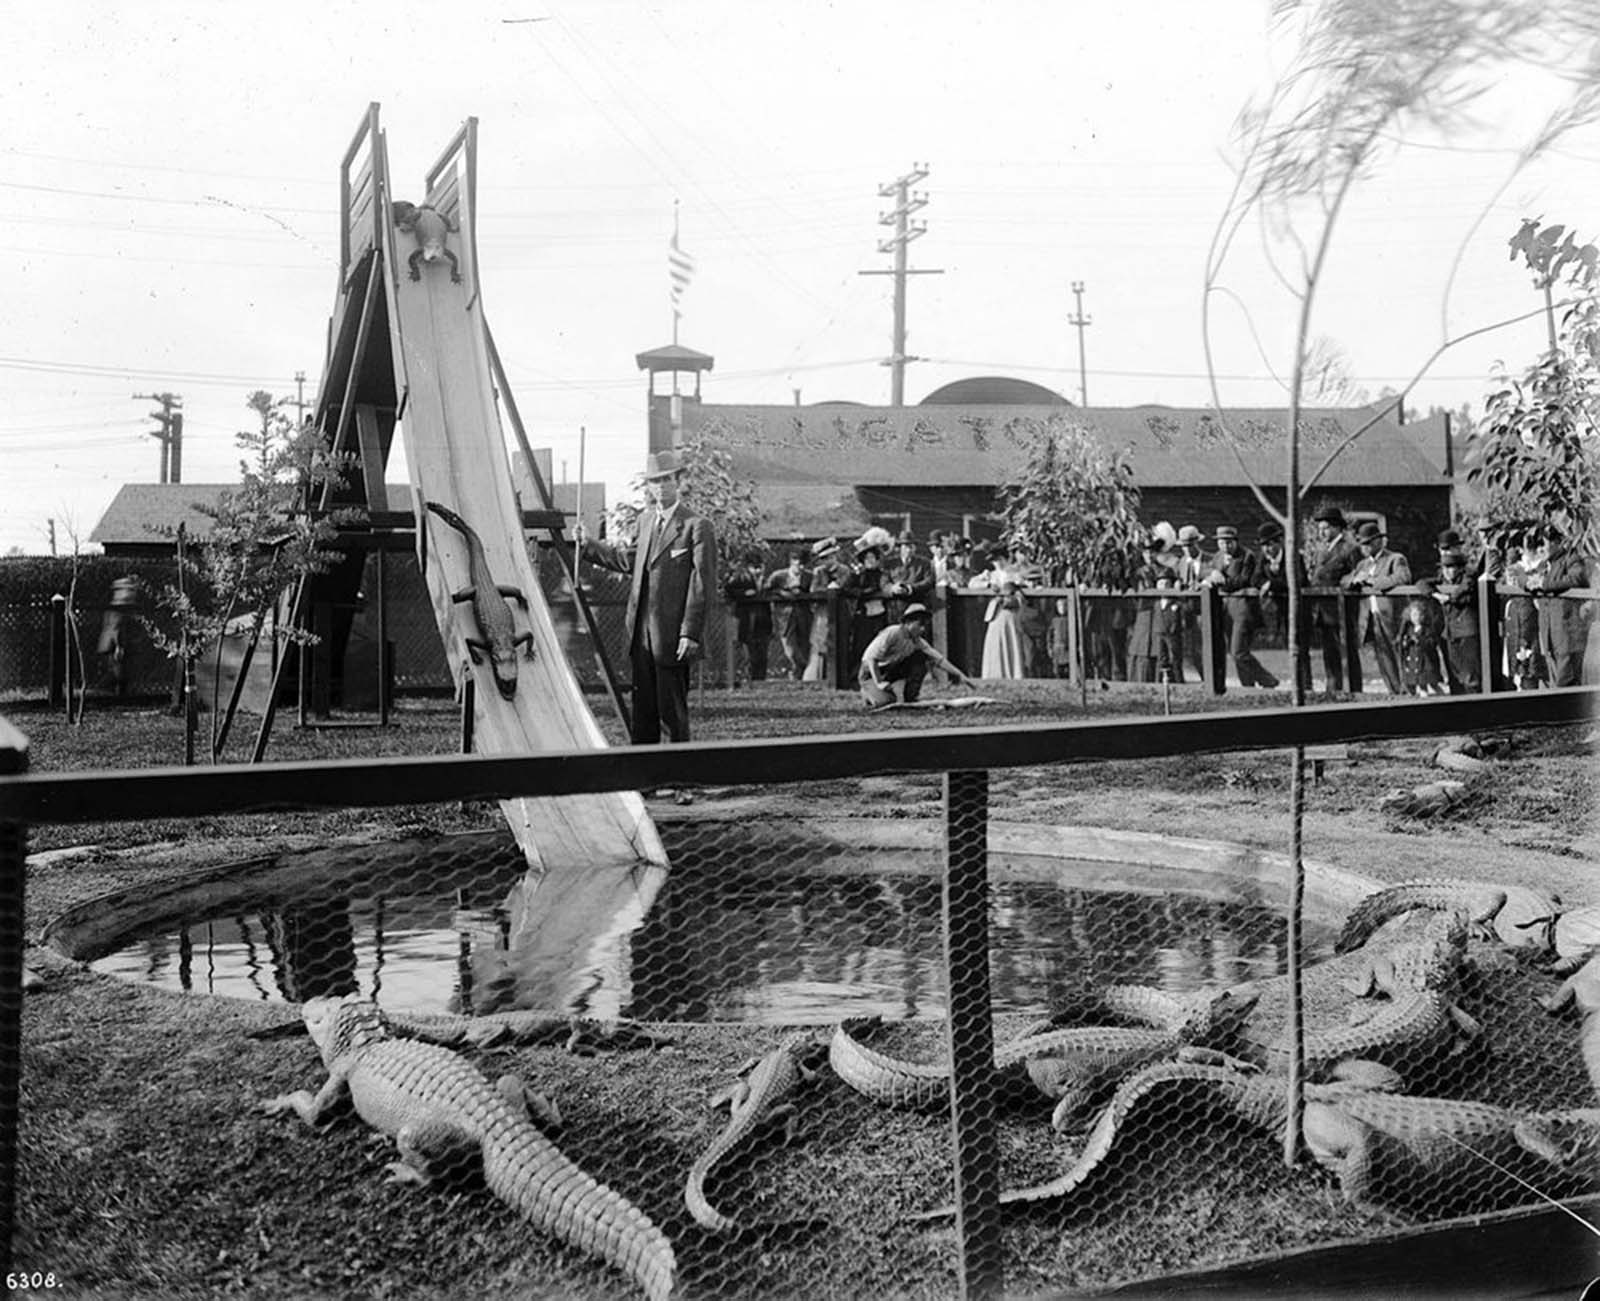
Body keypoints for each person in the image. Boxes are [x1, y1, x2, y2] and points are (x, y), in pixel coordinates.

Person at [580, 447, 716, 743]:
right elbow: (629, 561)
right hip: (641, 636)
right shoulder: (644, 522)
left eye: (667, 479)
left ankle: (676, 780)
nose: (661, 486)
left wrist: (689, 634)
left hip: (672, 637)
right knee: (643, 713)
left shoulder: (697, 526)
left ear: (678, 481)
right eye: (655, 481)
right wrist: (588, 544)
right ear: (649, 486)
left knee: (672, 714)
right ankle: (646, 780)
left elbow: (702, 584)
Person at [1340, 520, 1411, 695]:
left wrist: (1372, 581)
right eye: (1362, 544)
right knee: (1382, 656)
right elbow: (1343, 581)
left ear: (1379, 541)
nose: (1365, 547)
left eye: (1369, 543)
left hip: (1393, 615)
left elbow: (1403, 578)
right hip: (1371, 616)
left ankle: (1407, 691)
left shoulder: (1395, 559)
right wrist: (1355, 580)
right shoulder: (1362, 565)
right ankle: (1393, 691)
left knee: (1399, 653)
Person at [1204, 525, 1277, 689]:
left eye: (1229, 542)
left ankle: (1268, 680)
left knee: (1238, 651)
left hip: (1244, 609)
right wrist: (1210, 576)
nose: (1225, 546)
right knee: (1234, 652)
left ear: (1236, 542)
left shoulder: (1247, 556)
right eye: (1222, 543)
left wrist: (1221, 582)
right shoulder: (1217, 557)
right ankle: (1248, 687)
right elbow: (1207, 571)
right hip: (1226, 610)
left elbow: (1244, 581)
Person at [859, 603, 972, 707]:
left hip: (889, 671)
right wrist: (878, 682)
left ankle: (911, 697)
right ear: (908, 622)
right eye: (920, 624)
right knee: (886, 702)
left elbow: (939, 660)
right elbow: (871, 658)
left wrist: (960, 675)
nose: (922, 629)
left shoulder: (917, 641)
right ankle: (868, 692)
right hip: (870, 672)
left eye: (925, 625)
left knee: (920, 658)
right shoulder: (892, 632)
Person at [1254, 521, 1312, 693]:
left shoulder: (1294, 557)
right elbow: (1255, 578)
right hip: (1281, 610)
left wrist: (1271, 585)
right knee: (1289, 646)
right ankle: (1296, 683)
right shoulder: (1263, 559)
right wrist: (1264, 583)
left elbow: (1297, 580)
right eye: (1264, 545)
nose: (1267, 549)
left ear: (1279, 542)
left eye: (1270, 544)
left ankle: (1305, 686)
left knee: (1300, 648)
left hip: (1298, 609)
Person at [1308, 506, 1361, 692]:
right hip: (1323, 611)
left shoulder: (1349, 549)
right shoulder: (1320, 551)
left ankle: (1352, 690)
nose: (1322, 532)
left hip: (1342, 611)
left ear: (1338, 528)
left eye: (1326, 528)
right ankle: (1333, 689)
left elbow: (1357, 575)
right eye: (1320, 528)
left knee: (1346, 653)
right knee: (1329, 653)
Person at [1532, 535, 1592, 687]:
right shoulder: (1544, 566)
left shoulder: (1572, 558)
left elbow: (1576, 578)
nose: (1539, 548)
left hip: (1568, 640)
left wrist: (1544, 584)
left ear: (1556, 543)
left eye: (1543, 543)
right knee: (1555, 691)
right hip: (1550, 640)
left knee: (1566, 690)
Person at [1427, 547, 1481, 694]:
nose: (1447, 571)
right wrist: (1436, 595)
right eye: (1445, 567)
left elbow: (1466, 587)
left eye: (1451, 567)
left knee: (1471, 676)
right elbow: (1422, 583)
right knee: (1456, 675)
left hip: (1467, 632)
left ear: (1459, 568)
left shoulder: (1468, 577)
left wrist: (1449, 598)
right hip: (1451, 633)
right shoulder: (1442, 580)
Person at [721, 550, 772, 683]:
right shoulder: (741, 577)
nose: (758, 570)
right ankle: (750, 678)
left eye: (760, 567)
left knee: (762, 653)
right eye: (755, 568)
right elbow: (728, 591)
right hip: (747, 621)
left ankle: (760, 679)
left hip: (763, 621)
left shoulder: (765, 580)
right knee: (750, 653)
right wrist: (744, 594)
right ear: (748, 567)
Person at [803, 537, 846, 682]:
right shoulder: (819, 572)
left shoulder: (844, 570)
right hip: (822, 613)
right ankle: (815, 677)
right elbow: (814, 590)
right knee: (819, 643)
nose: (827, 561)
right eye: (824, 558)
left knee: (839, 642)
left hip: (840, 612)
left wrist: (836, 588)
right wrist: (827, 590)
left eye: (829, 557)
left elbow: (844, 585)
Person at [765, 550, 812, 678]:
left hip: (804, 615)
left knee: (804, 645)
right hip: (784, 617)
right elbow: (767, 590)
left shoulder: (809, 576)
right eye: (798, 564)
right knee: (790, 648)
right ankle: (801, 666)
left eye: (804, 565)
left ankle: (799, 677)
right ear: (792, 562)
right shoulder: (778, 576)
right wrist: (782, 593)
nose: (801, 567)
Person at [980, 579, 1030, 678]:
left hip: (1010, 621)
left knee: (1011, 646)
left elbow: (1018, 600)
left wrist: (1008, 596)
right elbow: (974, 583)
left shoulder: (1016, 592)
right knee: (995, 647)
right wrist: (988, 584)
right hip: (996, 622)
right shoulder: (992, 577)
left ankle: (1013, 674)